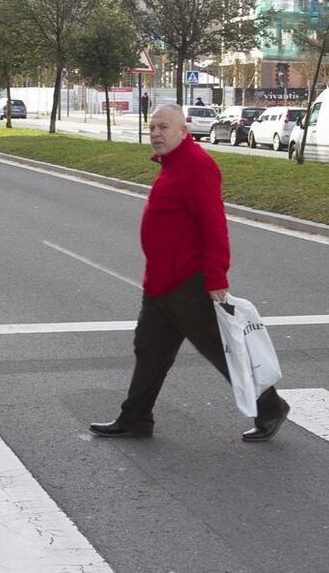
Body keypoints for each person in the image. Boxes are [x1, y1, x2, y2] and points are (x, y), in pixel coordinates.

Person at [90, 104, 290, 442]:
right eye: (152, 127)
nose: (156, 133)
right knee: (149, 349)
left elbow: (214, 225)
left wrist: (216, 278)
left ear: (184, 130)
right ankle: (136, 418)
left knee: (218, 348)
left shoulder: (197, 165)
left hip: (188, 283)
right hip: (160, 284)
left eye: (164, 127)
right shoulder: (172, 165)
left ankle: (270, 407)